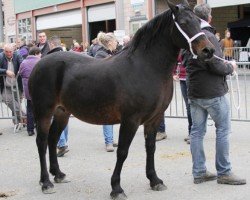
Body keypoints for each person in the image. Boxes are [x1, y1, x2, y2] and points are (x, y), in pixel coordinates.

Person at [186, 3, 246, 185]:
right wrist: (231, 67)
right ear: (209, 17)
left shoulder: (189, 37)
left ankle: (199, 172)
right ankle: (224, 172)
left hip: (195, 91)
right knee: (223, 130)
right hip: (212, 92)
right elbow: (216, 64)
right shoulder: (209, 36)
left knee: (196, 132)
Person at [94, 32, 118, 152]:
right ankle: (108, 142)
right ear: (109, 43)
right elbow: (100, 73)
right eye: (115, 41)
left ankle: (111, 139)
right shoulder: (100, 54)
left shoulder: (110, 53)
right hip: (104, 89)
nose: (116, 43)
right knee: (107, 115)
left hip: (111, 88)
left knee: (111, 114)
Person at [46, 35, 69, 157]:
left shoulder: (52, 58)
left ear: (52, 44)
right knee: (64, 119)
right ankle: (64, 143)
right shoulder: (69, 55)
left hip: (56, 94)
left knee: (57, 119)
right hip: (67, 94)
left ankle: (62, 143)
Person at [19, 47, 41, 136]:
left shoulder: (23, 62)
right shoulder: (40, 61)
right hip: (39, 88)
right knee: (40, 109)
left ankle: (30, 130)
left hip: (28, 88)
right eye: (39, 53)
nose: (41, 55)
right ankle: (39, 128)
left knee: (29, 109)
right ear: (36, 53)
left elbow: (20, 73)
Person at [0, 44, 23, 125]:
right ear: (3, 51)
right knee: (8, 100)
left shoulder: (17, 55)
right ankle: (24, 117)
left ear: (13, 51)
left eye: (10, 52)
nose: (9, 54)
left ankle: (17, 122)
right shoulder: (1, 56)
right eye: (6, 52)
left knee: (17, 103)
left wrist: (21, 70)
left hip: (17, 84)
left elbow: (22, 63)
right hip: (6, 86)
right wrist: (5, 71)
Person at [173, 49, 192, 144]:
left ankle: (193, 133)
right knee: (188, 106)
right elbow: (176, 61)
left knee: (191, 107)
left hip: (192, 78)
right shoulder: (181, 49)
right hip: (182, 79)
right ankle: (192, 132)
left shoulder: (192, 47)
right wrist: (173, 73)